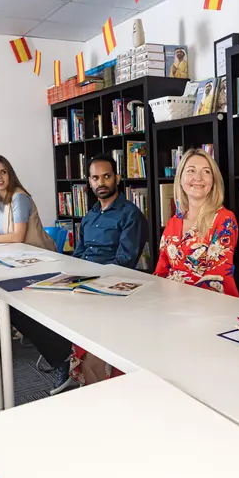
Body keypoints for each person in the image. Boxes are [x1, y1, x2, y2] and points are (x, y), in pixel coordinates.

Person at [0, 156, 71, 390]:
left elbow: (18, 236)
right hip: (18, 261)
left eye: (3, 172)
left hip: (40, 263)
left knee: (7, 305)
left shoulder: (19, 198)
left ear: (10, 174)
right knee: (4, 304)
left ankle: (62, 357)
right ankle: (52, 347)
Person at [67, 153, 148, 387]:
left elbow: (125, 261)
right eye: (95, 178)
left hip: (110, 284)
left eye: (106, 176)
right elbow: (79, 254)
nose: (100, 183)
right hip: (84, 280)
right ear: (89, 182)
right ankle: (69, 364)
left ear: (117, 178)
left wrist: (88, 278)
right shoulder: (89, 216)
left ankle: (96, 376)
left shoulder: (130, 214)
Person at [155, 148, 238, 297]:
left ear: (213, 181)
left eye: (206, 172)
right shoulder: (173, 222)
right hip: (169, 303)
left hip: (210, 304)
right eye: (191, 171)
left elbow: (216, 279)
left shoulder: (224, 219)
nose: (198, 178)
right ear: (180, 179)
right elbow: (161, 271)